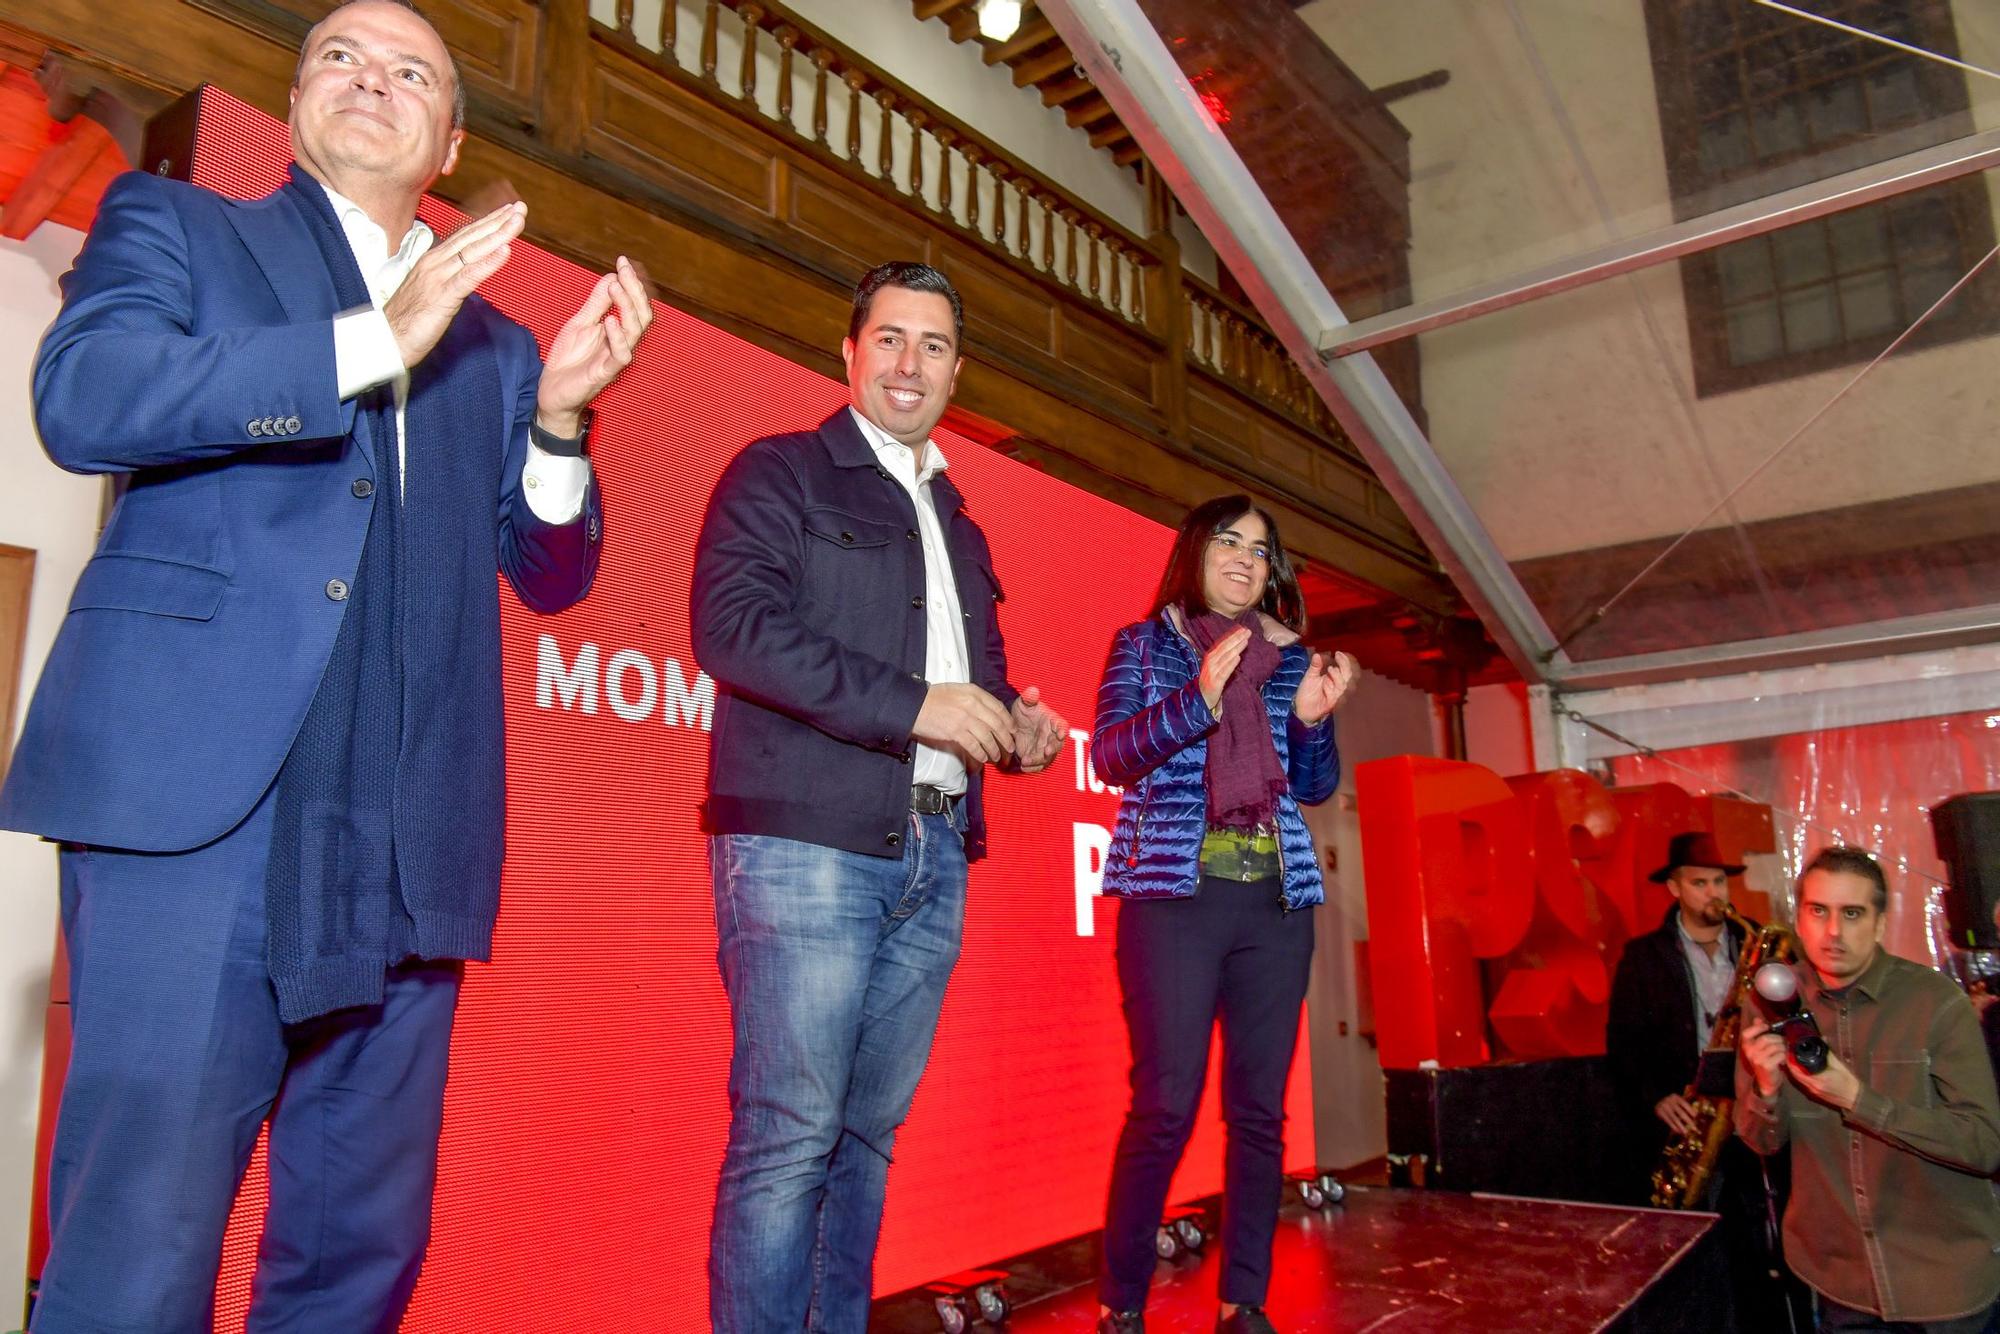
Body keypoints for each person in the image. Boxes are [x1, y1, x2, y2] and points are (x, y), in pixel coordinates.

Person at [0, 3, 652, 1328]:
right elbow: (83, 398)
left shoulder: (499, 347)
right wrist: (371, 339)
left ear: (449, 140)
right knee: (141, 1250)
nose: (371, 78)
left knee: (358, 1258)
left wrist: (564, 417)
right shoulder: (175, 228)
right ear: (296, 107)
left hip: (408, 838)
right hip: (204, 819)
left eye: (412, 69)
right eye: (339, 57)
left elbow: (550, 571)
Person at [691, 259, 1067, 1332]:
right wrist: (916, 706)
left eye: (934, 345)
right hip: (805, 843)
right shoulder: (780, 471)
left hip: (935, 850)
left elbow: (976, 692)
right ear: (848, 352)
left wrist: (1016, 730)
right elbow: (733, 631)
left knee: (862, 1139)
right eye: (890, 338)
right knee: (788, 1132)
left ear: (957, 371)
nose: (911, 363)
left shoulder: (961, 519)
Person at [1088, 496, 1355, 1334]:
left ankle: (1246, 1300)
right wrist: (1197, 700)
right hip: (1175, 899)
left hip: (1275, 902)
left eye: (1260, 549)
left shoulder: (1290, 659)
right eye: (1228, 542)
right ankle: (1122, 1301)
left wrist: (1311, 723)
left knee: (1259, 1111)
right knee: (1165, 1102)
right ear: (1195, 552)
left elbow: (1311, 787)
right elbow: (1111, 753)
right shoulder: (1144, 645)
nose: (1245, 558)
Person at [1737, 846, 2000, 1333]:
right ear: (1800, 917)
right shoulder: (1773, 1002)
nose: (1833, 932)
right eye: (1818, 911)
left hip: (1942, 1284)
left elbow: (1985, 1145)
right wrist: (1767, 1091)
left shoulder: (1936, 1003)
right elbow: (1761, 1142)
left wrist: (1858, 1100)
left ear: (1880, 923)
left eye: (1852, 913)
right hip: (1840, 1282)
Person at [1605, 831, 1797, 1330]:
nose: (1714, 893)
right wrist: (1657, 1098)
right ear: (1674, 888)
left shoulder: (1756, 944)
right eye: (1700, 883)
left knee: (1759, 1243)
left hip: (1752, 1110)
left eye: (1719, 882)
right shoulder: (1644, 956)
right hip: (1692, 1117)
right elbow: (1623, 1044)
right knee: (1693, 1247)